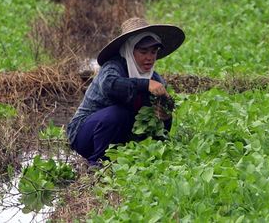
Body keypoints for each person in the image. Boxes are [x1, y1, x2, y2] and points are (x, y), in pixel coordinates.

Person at [66, 17, 184, 165]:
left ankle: (117, 160)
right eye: (143, 51)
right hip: (85, 135)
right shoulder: (113, 67)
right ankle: (98, 163)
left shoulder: (155, 80)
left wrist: (166, 116)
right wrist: (145, 84)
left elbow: (160, 129)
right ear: (129, 50)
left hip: (122, 137)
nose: (149, 58)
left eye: (153, 52)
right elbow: (110, 86)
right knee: (117, 114)